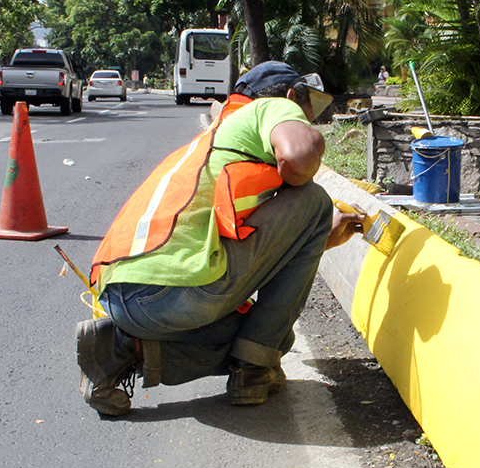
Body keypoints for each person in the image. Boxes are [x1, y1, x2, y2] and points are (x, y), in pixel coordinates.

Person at [76, 61, 364, 417]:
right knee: (314, 201)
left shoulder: (214, 141)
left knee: (271, 337)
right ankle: (252, 372)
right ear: (292, 95)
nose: (307, 118)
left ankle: (120, 348)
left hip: (123, 298)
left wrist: (318, 236)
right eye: (306, 109)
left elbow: (254, 245)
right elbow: (299, 157)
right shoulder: (272, 107)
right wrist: (317, 213)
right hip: (173, 289)